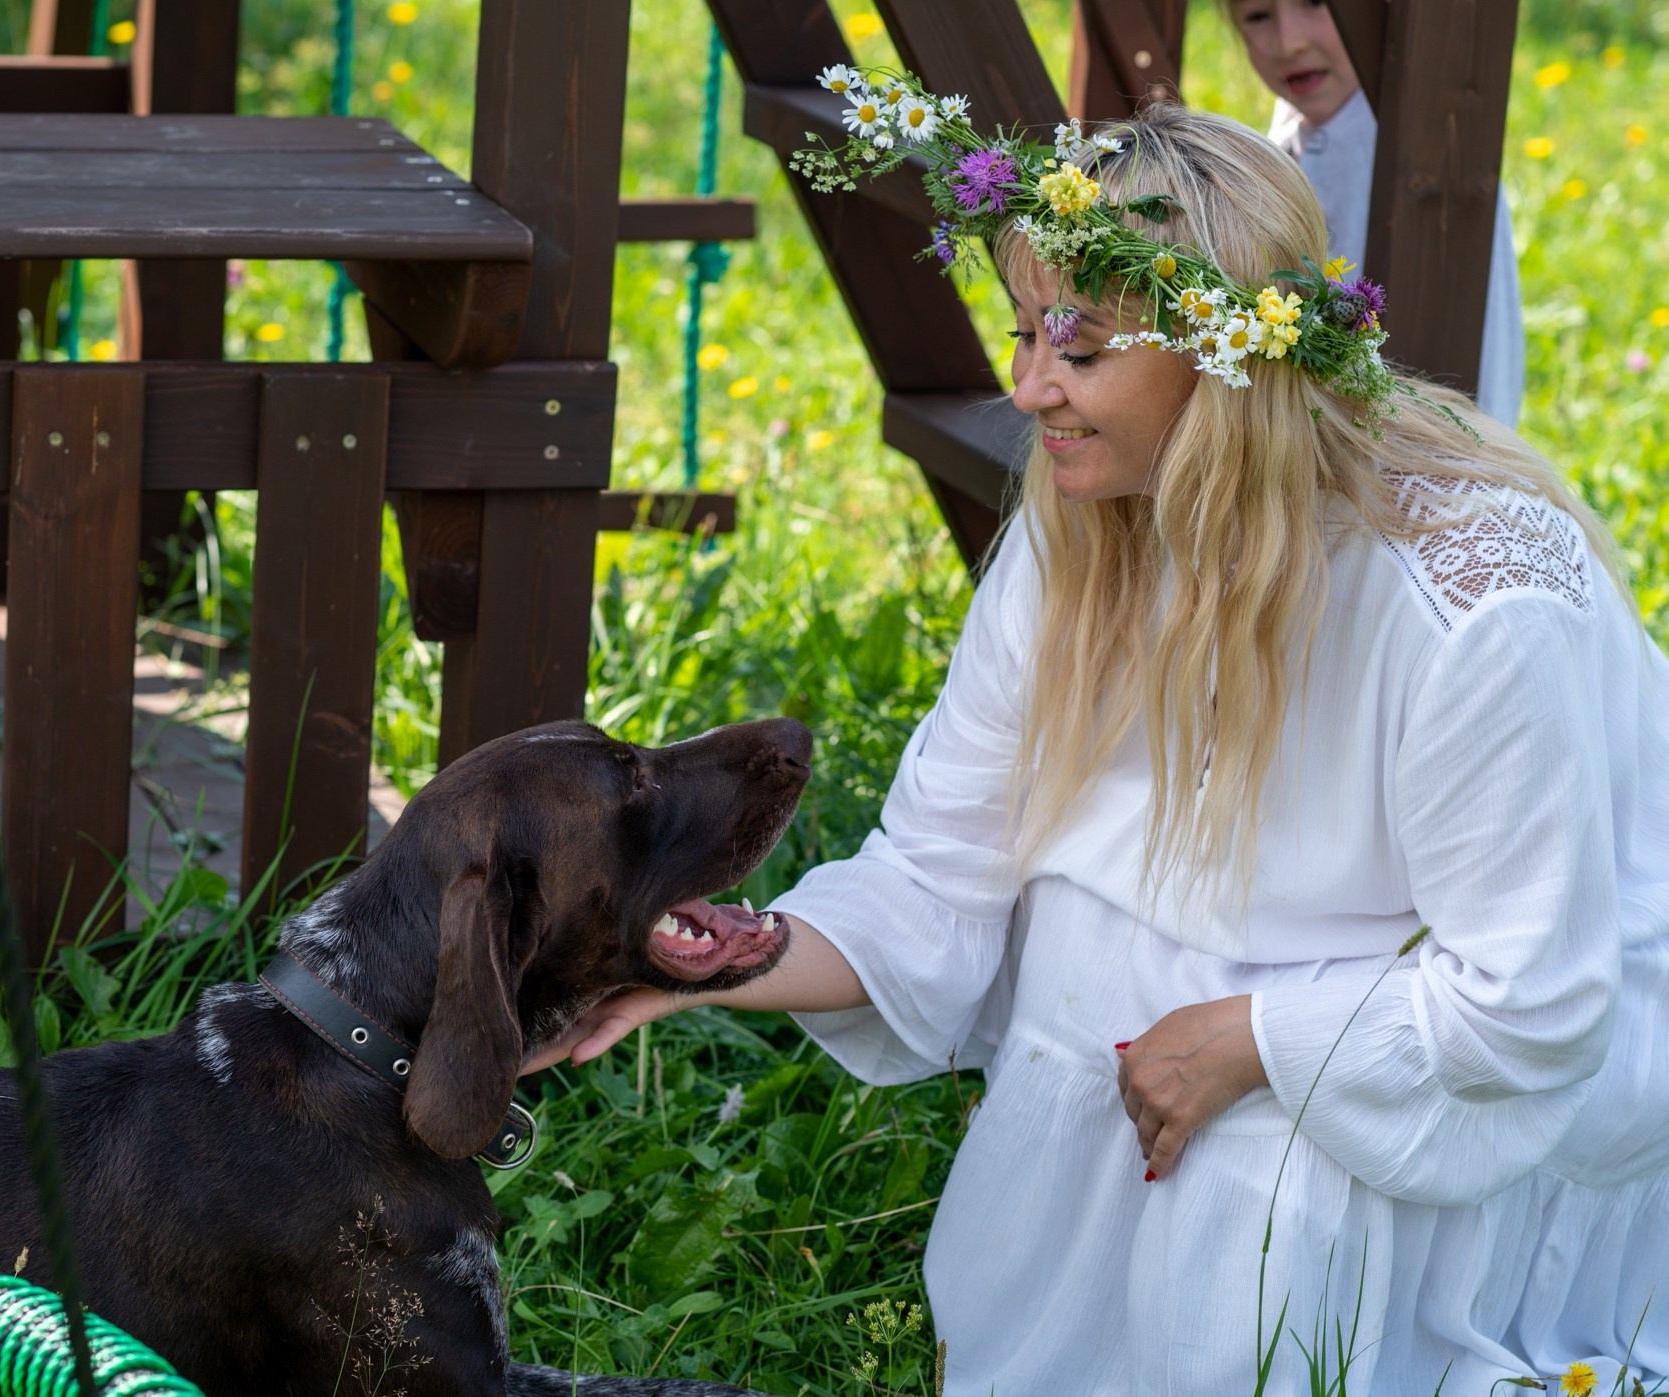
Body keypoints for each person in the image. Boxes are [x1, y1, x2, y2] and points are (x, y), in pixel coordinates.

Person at [530, 102, 1669, 1395]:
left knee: (1256, 1177)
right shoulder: (1088, 528)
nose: (1027, 386)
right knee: (1086, 939)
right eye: (1022, 332)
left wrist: (1249, 1039)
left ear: (1222, 353)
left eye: (1076, 345)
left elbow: (1537, 1005)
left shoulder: (1470, 603)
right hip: (1221, 1017)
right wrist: (729, 960)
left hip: (1492, 1078)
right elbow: (943, 870)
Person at [1227, 0, 1528, 428]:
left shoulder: (1418, 157)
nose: (1289, 43)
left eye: (1315, 3)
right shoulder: (1283, 139)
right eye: (1257, 16)